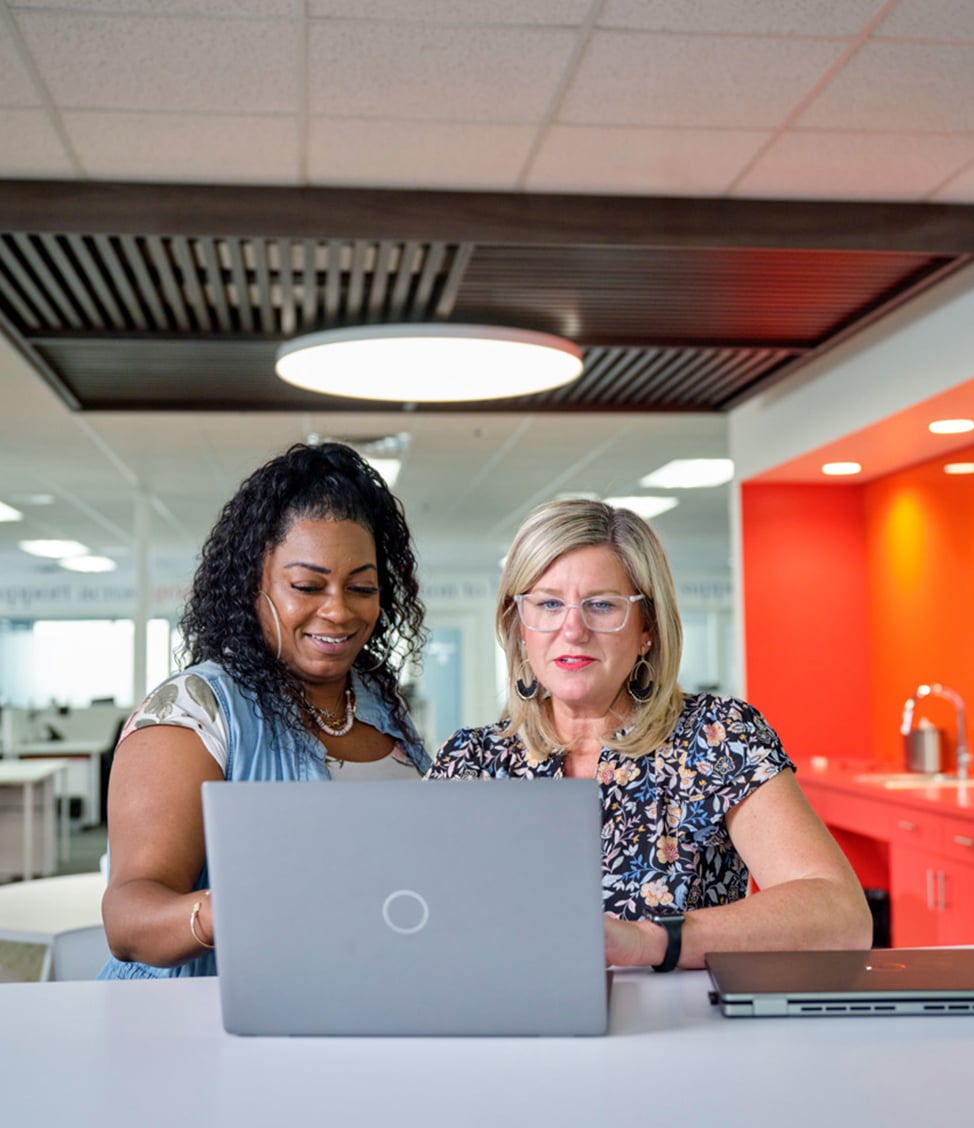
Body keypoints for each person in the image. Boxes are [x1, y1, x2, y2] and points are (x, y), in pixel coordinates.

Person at [427, 499, 872, 971]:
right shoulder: (470, 761)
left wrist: (649, 941)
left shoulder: (717, 739)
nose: (572, 629)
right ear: (519, 627)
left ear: (648, 629)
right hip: (513, 1028)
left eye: (601, 605)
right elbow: (411, 915)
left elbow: (842, 916)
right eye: (549, 603)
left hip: (682, 1031)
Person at [99, 442, 428, 978]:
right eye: (307, 586)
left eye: (362, 587)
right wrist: (229, 910)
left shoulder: (382, 708)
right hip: (203, 1030)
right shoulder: (196, 710)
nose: (339, 609)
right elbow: (128, 921)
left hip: (353, 1006)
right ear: (252, 585)